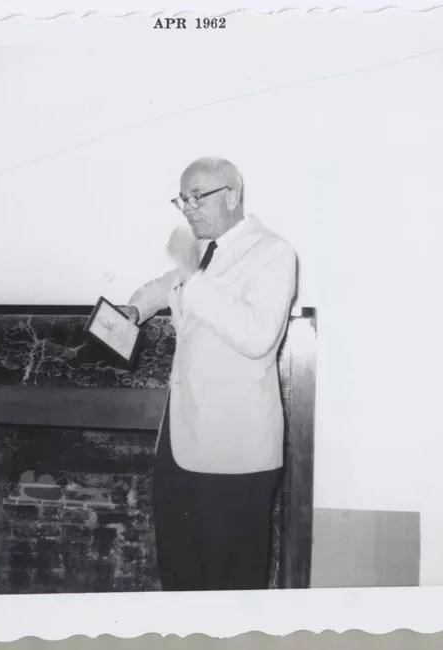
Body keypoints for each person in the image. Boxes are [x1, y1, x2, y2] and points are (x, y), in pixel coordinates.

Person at [122, 157, 297, 591]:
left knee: (229, 587)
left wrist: (193, 279)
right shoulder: (203, 252)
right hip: (181, 443)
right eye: (183, 199)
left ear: (232, 195)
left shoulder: (274, 252)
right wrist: (134, 309)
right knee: (180, 576)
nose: (189, 207)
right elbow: (166, 285)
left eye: (198, 196)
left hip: (234, 453)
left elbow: (257, 337)